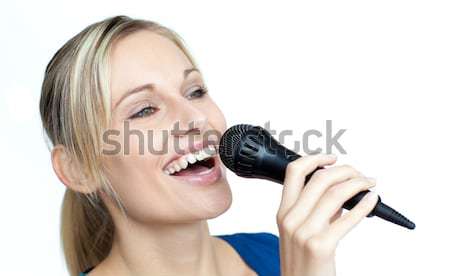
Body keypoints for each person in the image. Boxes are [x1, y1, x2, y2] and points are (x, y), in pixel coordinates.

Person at [39, 15, 379, 276]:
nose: (197, 119)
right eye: (144, 109)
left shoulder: (275, 254)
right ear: (79, 170)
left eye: (195, 92)